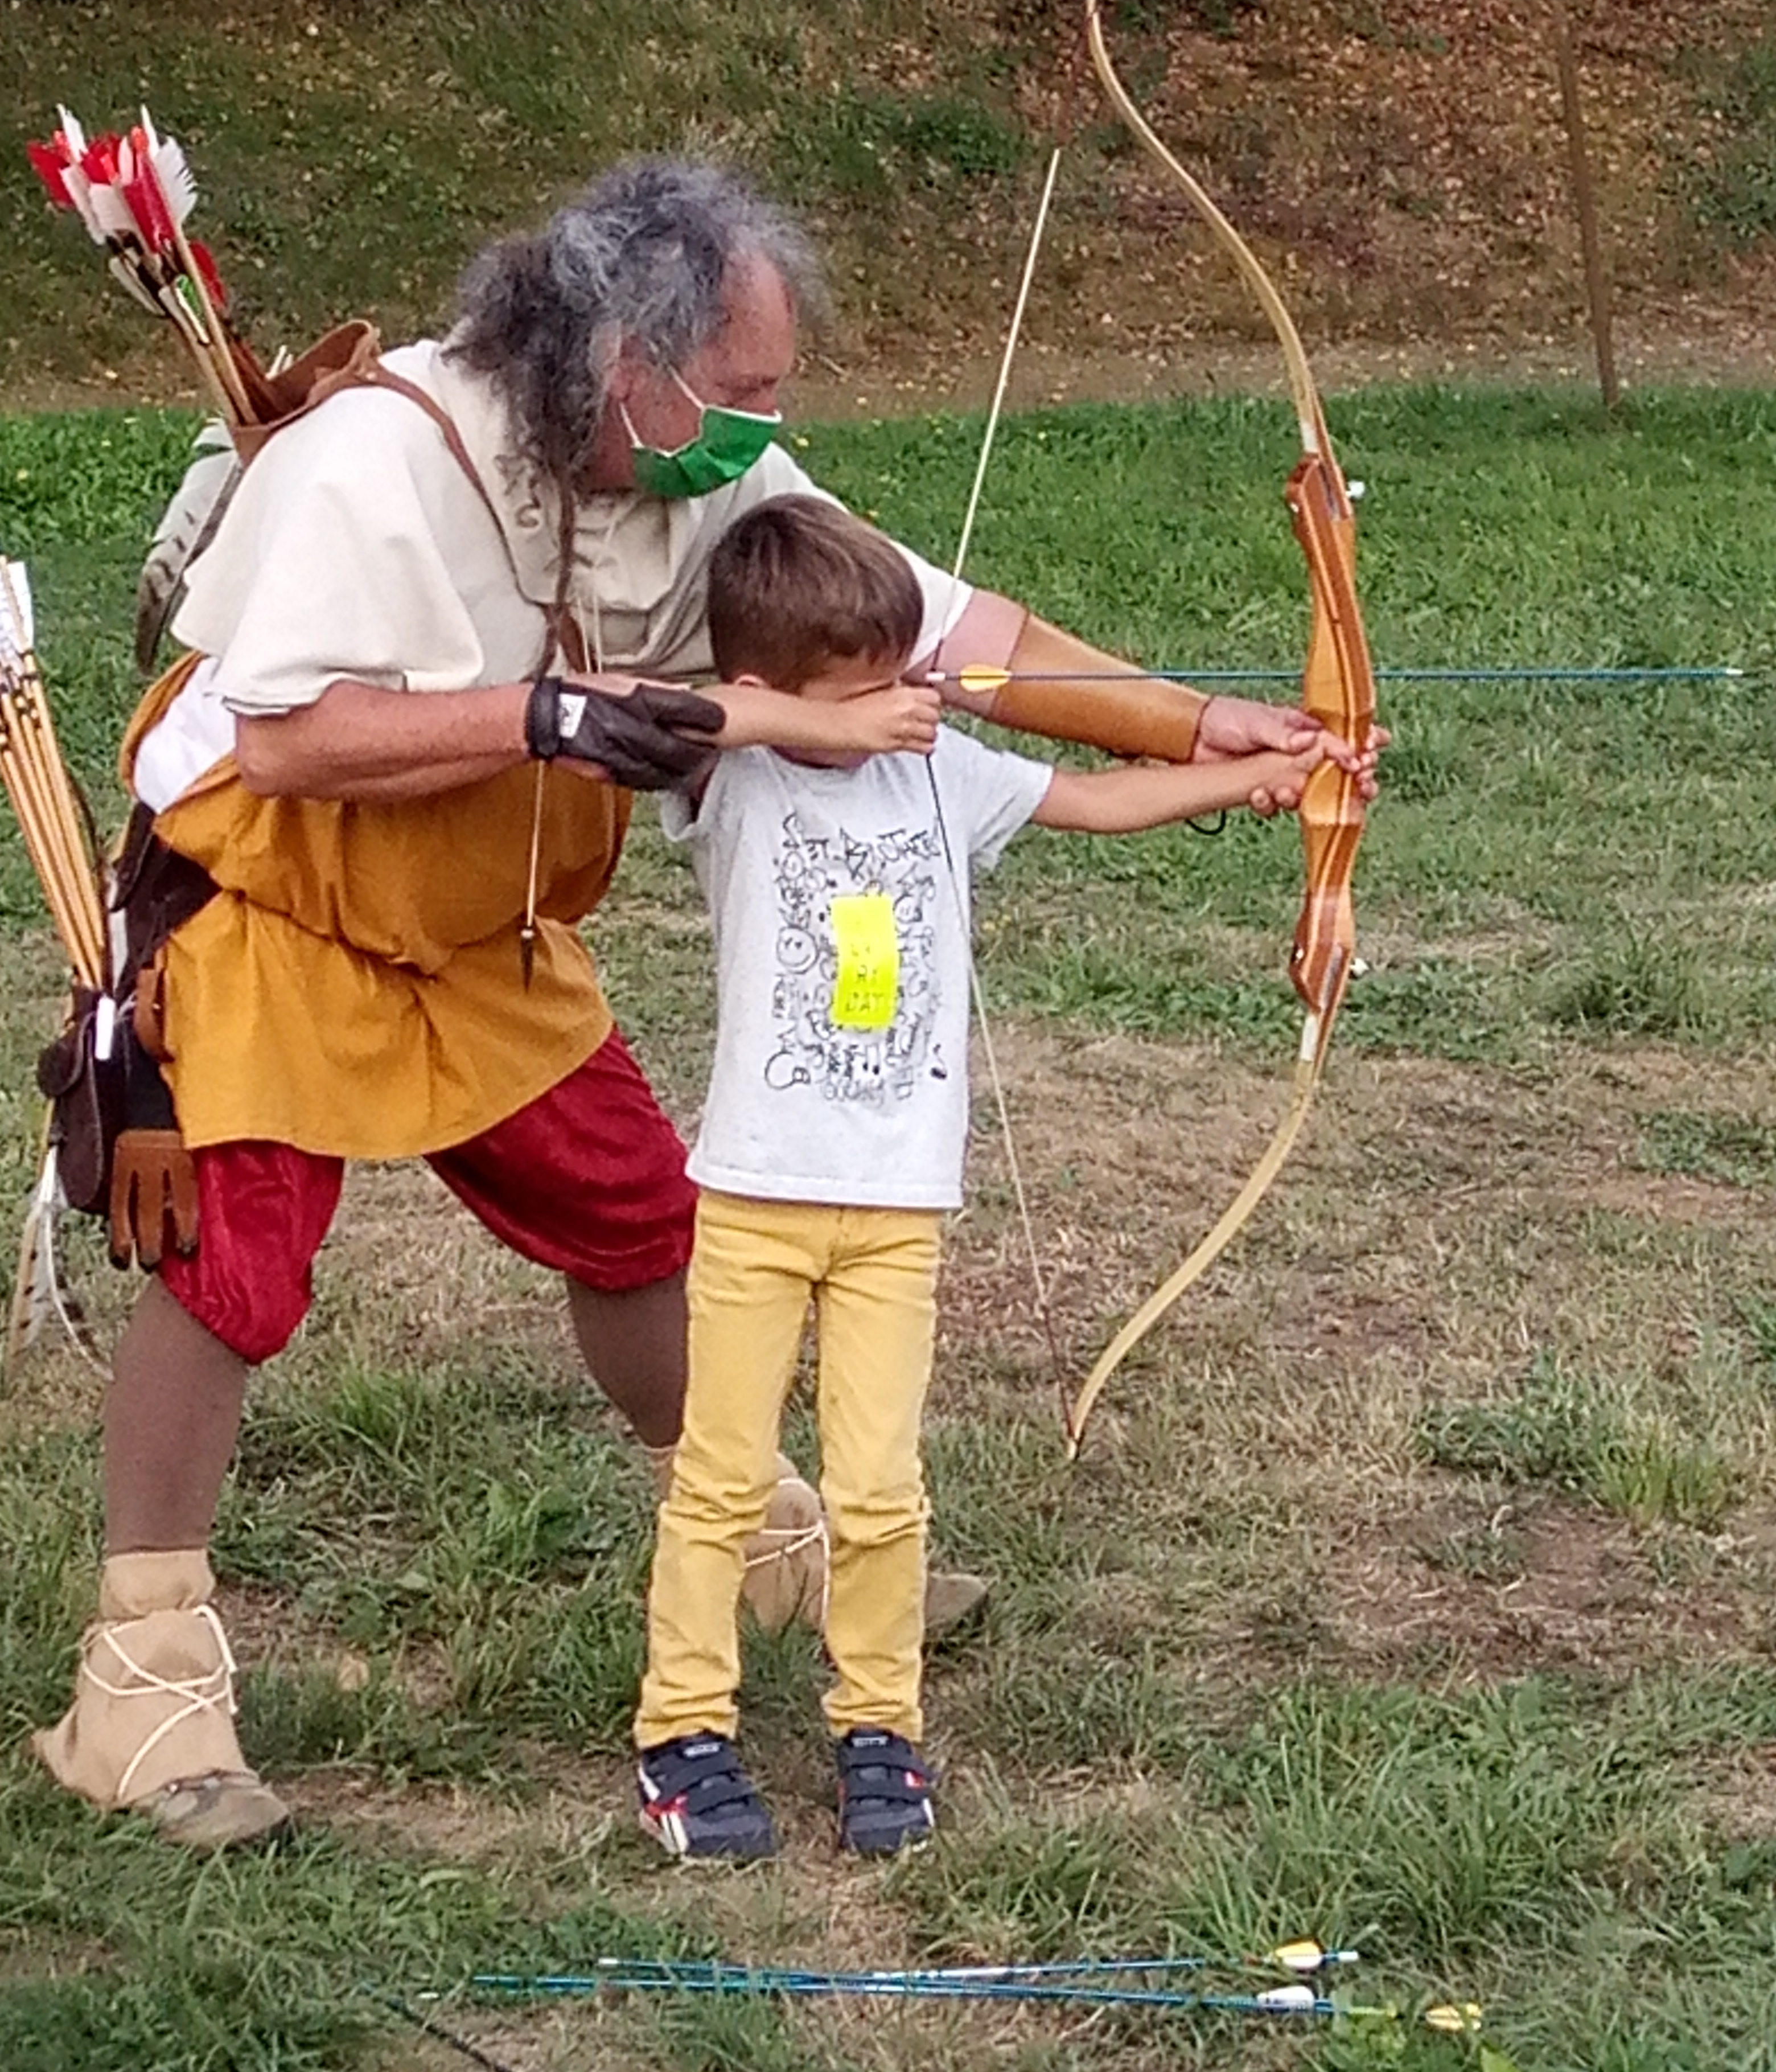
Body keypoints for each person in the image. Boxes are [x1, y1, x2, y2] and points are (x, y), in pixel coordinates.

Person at [33, 156, 1378, 1850]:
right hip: (283, 901)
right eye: (744, 390)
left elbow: (951, 641)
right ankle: (144, 1696)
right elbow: (291, 734)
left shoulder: (699, 471)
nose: (767, 421)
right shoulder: (385, 456)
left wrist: (1200, 727)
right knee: (233, 1268)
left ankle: (757, 1541)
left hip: (486, 924)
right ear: (625, 365)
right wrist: (556, 715)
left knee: (640, 1220)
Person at [633, 497, 1331, 1860]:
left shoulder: (940, 769)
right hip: (757, 1201)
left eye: (910, 669)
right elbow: (665, 720)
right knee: (720, 1479)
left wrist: (1254, 777)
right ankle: (683, 1733)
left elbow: (1094, 799)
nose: (909, 698)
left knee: (883, 1491)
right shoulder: (734, 775)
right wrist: (808, 723)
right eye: (871, 687)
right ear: (774, 692)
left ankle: (878, 1728)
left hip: (897, 1210)